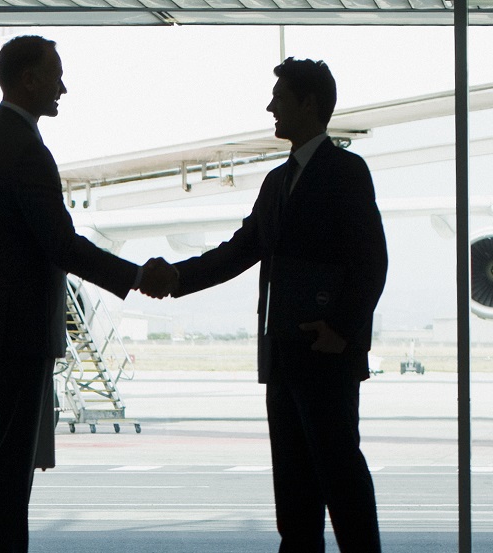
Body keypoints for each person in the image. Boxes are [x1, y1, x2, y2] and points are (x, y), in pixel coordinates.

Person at [0, 35, 175, 553]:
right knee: (12, 465)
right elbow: (61, 245)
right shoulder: (26, 150)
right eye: (55, 75)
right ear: (29, 79)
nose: (63, 88)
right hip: (21, 330)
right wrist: (135, 275)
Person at [164, 58, 386, 552]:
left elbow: (372, 262)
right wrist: (177, 277)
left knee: (340, 476)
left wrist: (343, 331)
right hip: (284, 355)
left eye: (280, 97)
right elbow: (241, 250)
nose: (271, 106)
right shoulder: (276, 182)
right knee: (293, 488)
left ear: (310, 104)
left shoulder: (346, 172)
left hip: (325, 353)